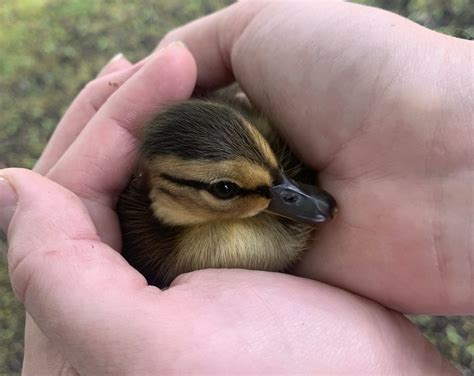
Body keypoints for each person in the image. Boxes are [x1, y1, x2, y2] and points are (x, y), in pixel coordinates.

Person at [0, 1, 471, 374]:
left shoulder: (271, 176)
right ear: (166, 190)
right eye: (226, 190)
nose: (302, 202)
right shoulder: (148, 246)